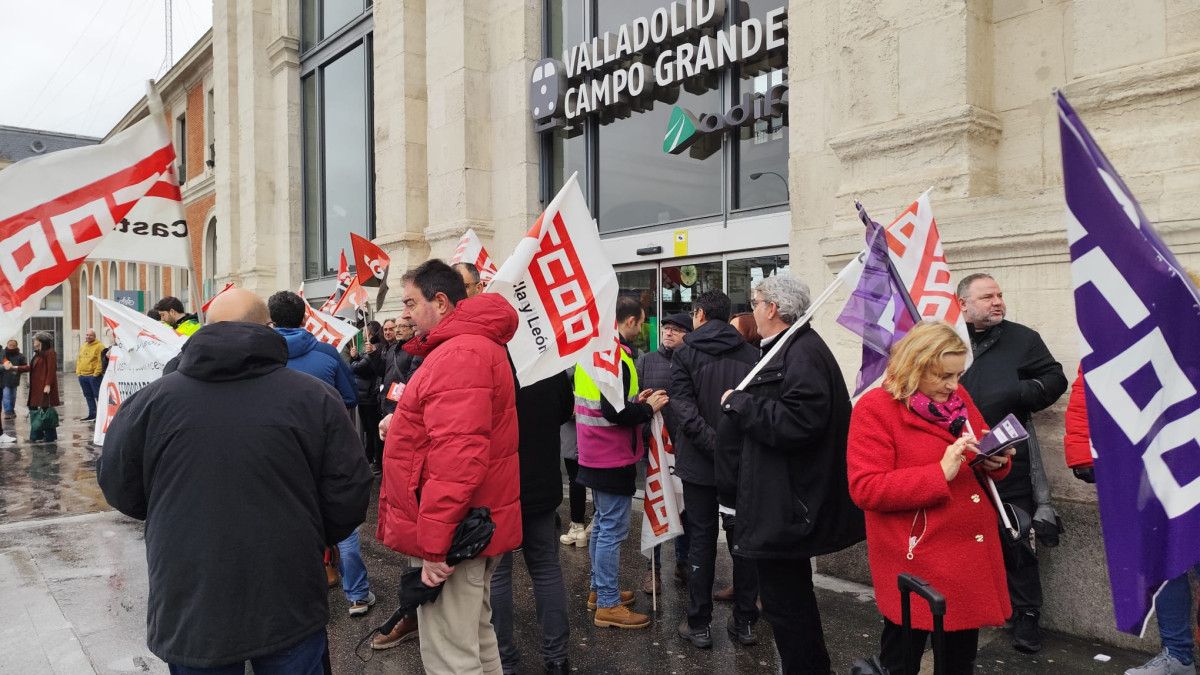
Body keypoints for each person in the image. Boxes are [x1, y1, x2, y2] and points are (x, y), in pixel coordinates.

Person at [96, 288, 372, 673]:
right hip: (286, 586)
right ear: (269, 328)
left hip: (190, 589)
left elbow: (119, 486)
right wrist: (312, 532)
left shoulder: (150, 402)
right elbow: (349, 491)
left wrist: (174, 519)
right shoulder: (315, 398)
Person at [376, 259, 522, 674]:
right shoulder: (467, 347)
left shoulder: (460, 352)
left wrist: (435, 547)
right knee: (474, 639)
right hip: (468, 526)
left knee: (451, 655)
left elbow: (458, 461)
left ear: (440, 302)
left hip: (454, 533)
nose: (404, 313)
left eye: (409, 302)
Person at [717, 274, 865, 674]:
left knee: (787, 606)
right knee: (787, 602)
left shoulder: (801, 352)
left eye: (755, 301)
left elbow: (800, 421)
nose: (752, 310)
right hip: (776, 501)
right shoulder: (786, 349)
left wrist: (741, 405)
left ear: (773, 308)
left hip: (786, 506)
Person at [848, 320, 1014, 675]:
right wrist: (939, 473)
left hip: (967, 556)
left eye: (957, 374)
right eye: (943, 376)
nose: (953, 386)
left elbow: (979, 453)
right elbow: (866, 488)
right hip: (918, 559)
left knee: (958, 663)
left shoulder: (958, 399)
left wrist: (996, 461)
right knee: (902, 662)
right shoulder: (875, 408)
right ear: (915, 366)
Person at [1066, 351, 1200, 675]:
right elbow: (1094, 381)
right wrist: (1084, 451)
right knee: (1167, 561)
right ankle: (1178, 656)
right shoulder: (1128, 318)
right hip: (1155, 470)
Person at [957, 273, 1068, 654]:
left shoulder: (1023, 338)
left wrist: (1018, 393)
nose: (997, 301)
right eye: (987, 297)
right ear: (963, 305)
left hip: (1008, 457)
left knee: (1015, 536)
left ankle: (1027, 614)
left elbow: (1055, 378)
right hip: (955, 458)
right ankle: (973, 606)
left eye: (999, 295)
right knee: (964, 538)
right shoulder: (947, 339)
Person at [268, 290, 375, 618]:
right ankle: (357, 595)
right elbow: (350, 396)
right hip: (326, 450)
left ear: (271, 321)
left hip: (279, 453)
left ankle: (295, 594)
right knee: (341, 523)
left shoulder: (260, 356)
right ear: (304, 319)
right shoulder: (327, 353)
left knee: (286, 522)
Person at [671, 291, 761, 649]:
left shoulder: (686, 352)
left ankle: (699, 623)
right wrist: (726, 449)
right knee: (742, 542)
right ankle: (745, 622)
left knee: (701, 543)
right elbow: (755, 409)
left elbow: (683, 409)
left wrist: (712, 445)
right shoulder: (752, 355)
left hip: (699, 465)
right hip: (740, 464)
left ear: (700, 314)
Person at [575, 296, 668, 630]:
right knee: (612, 529)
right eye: (641, 322)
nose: (641, 328)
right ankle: (609, 604)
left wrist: (636, 400)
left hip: (594, 452)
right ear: (628, 321)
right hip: (611, 455)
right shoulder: (613, 354)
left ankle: (600, 592)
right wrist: (648, 408)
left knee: (601, 525)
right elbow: (615, 413)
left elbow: (611, 401)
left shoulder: (594, 350)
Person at [490, 371, 575, 675]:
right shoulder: (547, 364)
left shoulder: (487, 360)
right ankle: (556, 658)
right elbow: (566, 410)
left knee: (498, 575)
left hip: (498, 487)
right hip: (542, 483)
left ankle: (503, 660)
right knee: (545, 569)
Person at [634, 312, 693, 594]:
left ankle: (683, 563)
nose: (669, 333)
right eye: (667, 329)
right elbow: (637, 397)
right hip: (655, 446)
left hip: (686, 446)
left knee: (685, 508)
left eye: (676, 330)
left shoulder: (693, 359)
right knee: (656, 503)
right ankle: (653, 570)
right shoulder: (647, 360)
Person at [12, 333, 60, 443]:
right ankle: (37, 435)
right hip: (36, 387)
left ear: (42, 341)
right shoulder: (38, 353)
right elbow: (31, 367)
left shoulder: (50, 353)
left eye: (36, 339)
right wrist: (15, 367)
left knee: (45, 410)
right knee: (34, 409)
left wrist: (48, 384)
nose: (34, 341)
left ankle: (47, 436)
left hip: (44, 386)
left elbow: (51, 370)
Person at [350, 321, 384, 474]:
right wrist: (356, 357)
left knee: (373, 430)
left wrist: (355, 360)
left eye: (364, 331)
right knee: (369, 431)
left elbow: (359, 368)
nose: (362, 334)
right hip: (364, 394)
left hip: (369, 395)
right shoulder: (369, 347)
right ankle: (370, 458)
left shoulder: (374, 347)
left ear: (370, 332)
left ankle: (376, 460)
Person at [76, 328, 104, 421]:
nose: (88, 337)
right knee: (88, 396)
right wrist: (78, 372)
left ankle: (101, 416)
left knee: (98, 396)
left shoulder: (99, 346)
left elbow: (101, 361)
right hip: (83, 376)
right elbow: (79, 360)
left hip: (93, 376)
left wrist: (96, 374)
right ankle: (92, 414)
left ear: (95, 337)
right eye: (87, 335)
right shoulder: (83, 346)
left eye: (91, 335)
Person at [2, 339, 27, 419]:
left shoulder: (20, 356)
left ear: (17, 346)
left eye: (14, 345)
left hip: (14, 379)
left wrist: (17, 372)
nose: (12, 347)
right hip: (4, 380)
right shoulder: (3, 354)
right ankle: (7, 412)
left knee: (12, 396)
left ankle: (12, 410)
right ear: (7, 345)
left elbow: (24, 366)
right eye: (10, 345)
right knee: (6, 395)